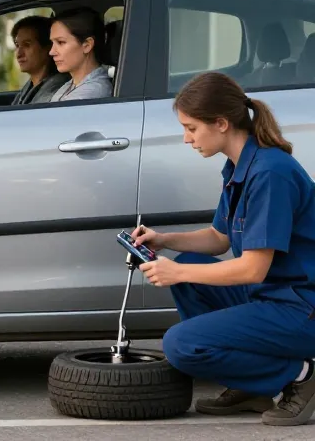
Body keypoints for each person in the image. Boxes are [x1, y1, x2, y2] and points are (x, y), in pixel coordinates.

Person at [130, 71, 315, 427]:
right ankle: (253, 386)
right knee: (190, 265)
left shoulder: (270, 173)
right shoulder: (239, 166)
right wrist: (163, 240)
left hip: (302, 308)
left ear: (221, 123)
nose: (186, 138)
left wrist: (175, 272)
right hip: (274, 297)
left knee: (181, 345)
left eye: (191, 128)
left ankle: (301, 375)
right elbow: (219, 237)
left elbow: (252, 269)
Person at [46, 6, 113, 102]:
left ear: (87, 45)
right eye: (52, 43)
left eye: (61, 42)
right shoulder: (71, 85)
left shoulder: (91, 93)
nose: (51, 52)